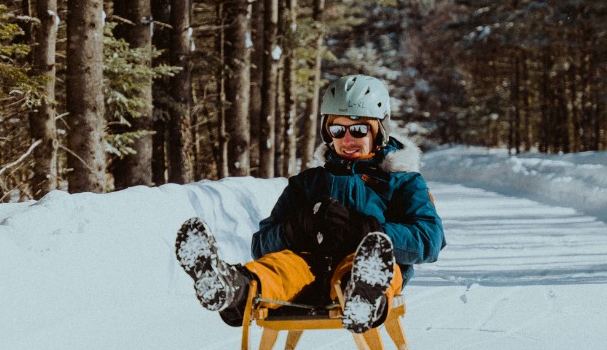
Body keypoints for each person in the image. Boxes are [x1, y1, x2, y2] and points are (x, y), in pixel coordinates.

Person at [175, 74, 445, 334]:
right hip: (308, 269)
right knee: (281, 266)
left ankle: (362, 296)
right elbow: (261, 244)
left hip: (365, 266)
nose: (347, 139)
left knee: (369, 265)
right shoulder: (307, 184)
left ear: (379, 131)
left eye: (359, 129)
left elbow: (430, 240)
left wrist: (368, 231)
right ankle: (232, 286)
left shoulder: (402, 182)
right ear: (328, 132)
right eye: (338, 129)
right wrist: (296, 228)